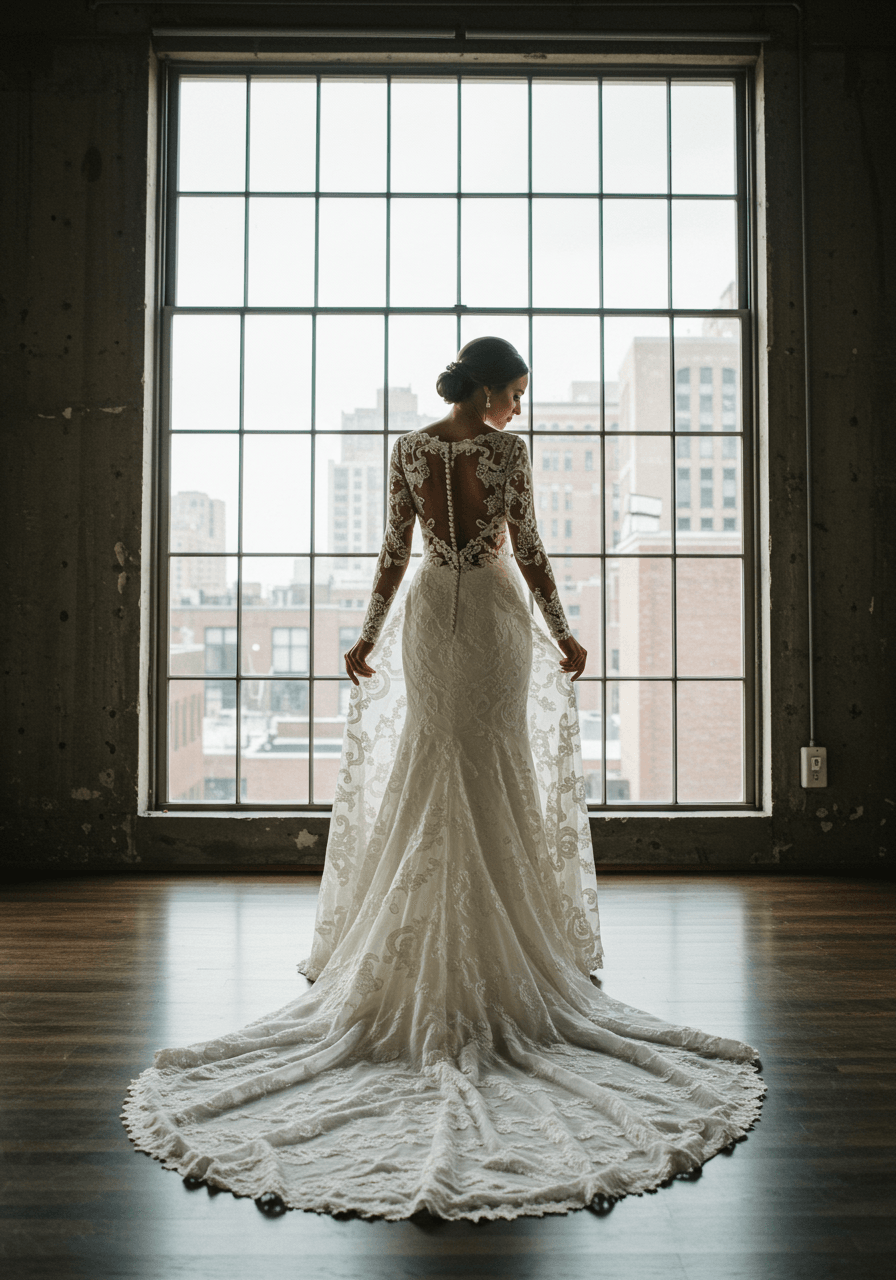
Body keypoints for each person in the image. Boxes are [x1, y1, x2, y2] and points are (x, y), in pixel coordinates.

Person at [123, 337, 763, 1221]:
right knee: (489, 764)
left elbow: (394, 552)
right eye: (516, 393)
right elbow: (528, 548)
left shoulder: (410, 449)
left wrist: (367, 635)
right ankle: (509, 942)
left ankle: (425, 935)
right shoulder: (505, 456)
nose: (518, 409)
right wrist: (566, 630)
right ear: (492, 389)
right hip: (493, 612)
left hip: (429, 611)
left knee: (439, 762)